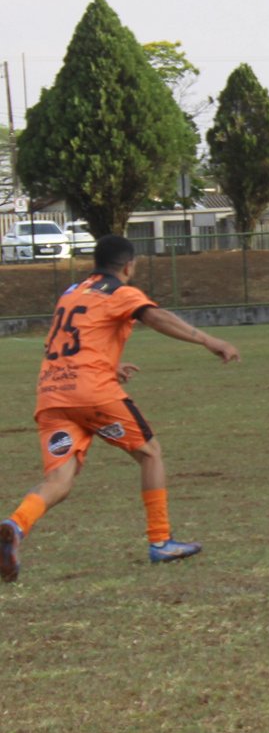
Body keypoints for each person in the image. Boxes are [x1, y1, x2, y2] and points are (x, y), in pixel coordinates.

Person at [1, 235, 242, 583]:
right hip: (92, 394)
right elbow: (156, 317)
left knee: (59, 478)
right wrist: (209, 340)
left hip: (53, 394)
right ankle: (160, 541)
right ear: (129, 265)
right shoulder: (121, 292)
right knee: (150, 454)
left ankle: (15, 525)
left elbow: (66, 341)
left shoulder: (71, 292)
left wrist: (106, 364)